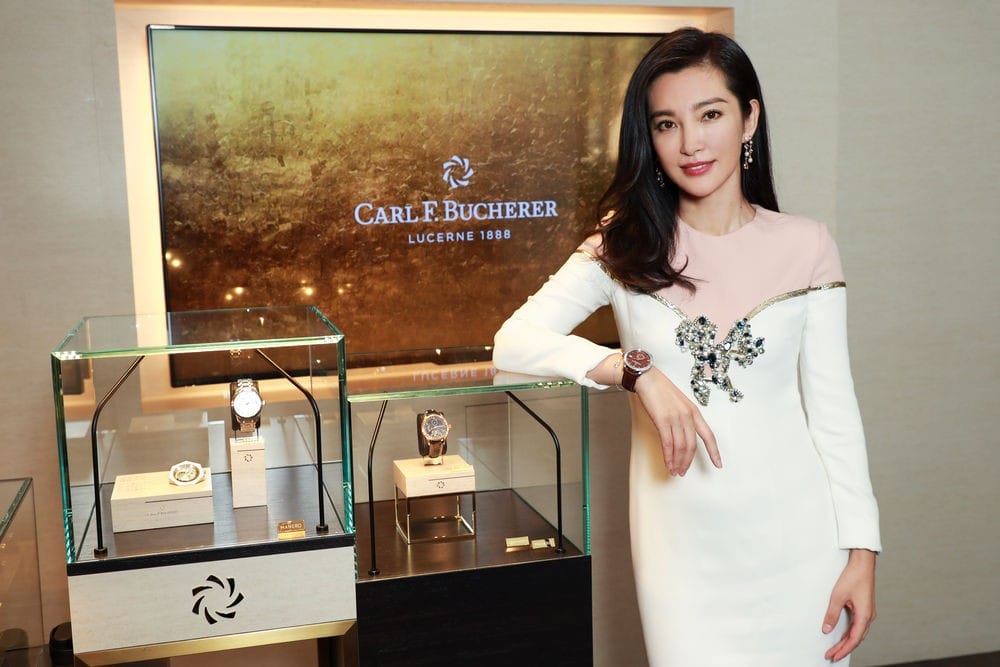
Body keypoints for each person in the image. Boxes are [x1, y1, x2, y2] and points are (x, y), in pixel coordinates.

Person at [493, 27, 880, 666]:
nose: (690, 143)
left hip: (802, 545)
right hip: (680, 555)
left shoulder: (807, 244)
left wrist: (862, 552)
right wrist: (635, 373)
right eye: (666, 124)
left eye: (711, 115)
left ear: (749, 118)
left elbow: (836, 415)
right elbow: (512, 343)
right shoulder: (623, 247)